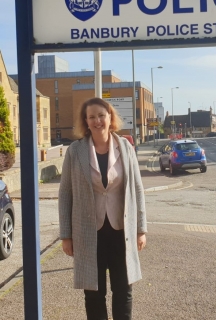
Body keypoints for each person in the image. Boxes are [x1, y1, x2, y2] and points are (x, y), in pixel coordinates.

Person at [59, 97, 147, 320]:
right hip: (89, 233)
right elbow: (65, 194)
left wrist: (141, 228)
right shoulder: (75, 151)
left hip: (121, 232)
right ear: (85, 121)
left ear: (110, 118)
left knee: (123, 289)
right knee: (94, 293)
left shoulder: (125, 147)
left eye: (101, 115)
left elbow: (137, 188)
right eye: (91, 117)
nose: (97, 120)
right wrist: (66, 235)